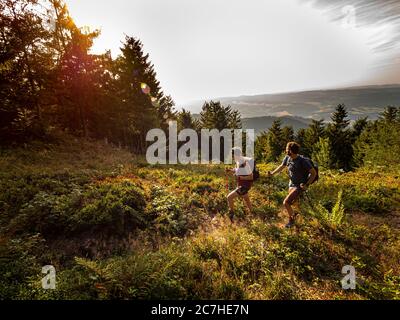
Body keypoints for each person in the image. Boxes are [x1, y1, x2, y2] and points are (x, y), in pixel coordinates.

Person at [268, 142, 317, 228]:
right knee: (294, 203)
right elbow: (281, 166)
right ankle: (300, 216)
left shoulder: (303, 161)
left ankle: (292, 221)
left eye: (287, 149)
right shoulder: (287, 158)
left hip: (300, 186)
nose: (286, 151)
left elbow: (313, 173)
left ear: (291, 151)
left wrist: (307, 184)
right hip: (291, 184)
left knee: (286, 202)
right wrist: (272, 173)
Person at [226, 147, 254, 221]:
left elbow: (251, 177)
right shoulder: (238, 162)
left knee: (229, 197)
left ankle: (231, 215)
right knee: (246, 199)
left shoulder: (244, 163)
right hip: (242, 185)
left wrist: (241, 177)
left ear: (237, 155)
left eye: (233, 156)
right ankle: (253, 214)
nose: (232, 157)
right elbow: (237, 170)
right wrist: (230, 170)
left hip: (245, 186)